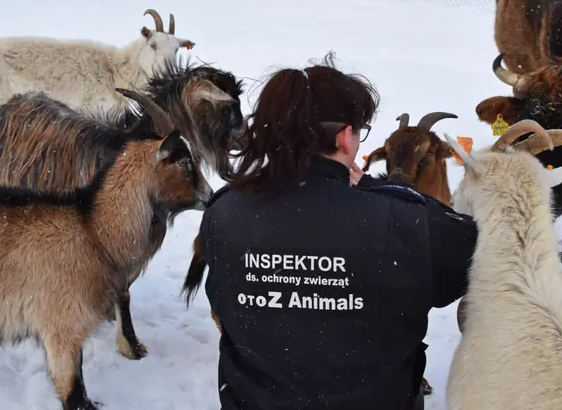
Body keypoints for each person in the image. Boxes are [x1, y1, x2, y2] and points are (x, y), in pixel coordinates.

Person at [198, 54, 478, 410]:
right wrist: (384, 198)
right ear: (346, 138)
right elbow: (486, 251)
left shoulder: (224, 214)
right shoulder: (405, 223)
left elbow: (223, 302)